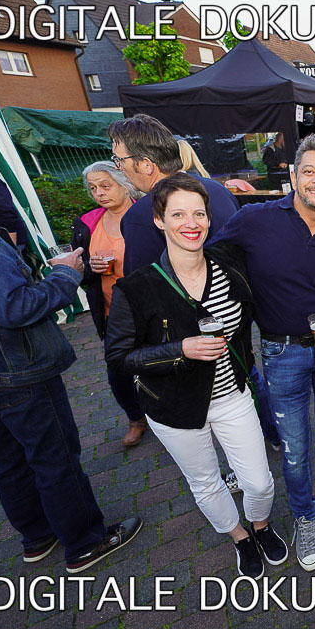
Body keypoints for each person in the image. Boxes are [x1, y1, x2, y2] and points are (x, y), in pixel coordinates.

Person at [0, 141, 141, 572]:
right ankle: (86, 542)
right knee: (54, 457)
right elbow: (15, 307)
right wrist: (66, 275)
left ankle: (37, 536)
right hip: (14, 371)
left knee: (7, 459)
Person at [105, 173, 287, 578]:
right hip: (174, 407)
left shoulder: (230, 264)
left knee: (258, 482)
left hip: (232, 395)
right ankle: (239, 536)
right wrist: (179, 350)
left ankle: (260, 525)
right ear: (159, 220)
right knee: (205, 482)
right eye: (178, 214)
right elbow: (118, 357)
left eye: (199, 214)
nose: (191, 223)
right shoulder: (136, 288)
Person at [209, 134, 315, 572]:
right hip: (282, 355)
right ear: (294, 176)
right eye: (310, 171)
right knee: (295, 447)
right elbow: (207, 257)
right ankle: (304, 515)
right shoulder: (255, 220)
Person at [70, 161, 148, 446]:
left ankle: (170, 414)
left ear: (124, 183)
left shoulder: (147, 213)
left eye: (105, 185)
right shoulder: (87, 223)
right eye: (93, 188)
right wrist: (90, 268)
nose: (99, 193)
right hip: (112, 312)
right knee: (118, 372)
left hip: (150, 309)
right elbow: (78, 268)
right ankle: (136, 418)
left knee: (160, 363)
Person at [107, 114, 239, 275]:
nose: (118, 167)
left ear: (147, 165)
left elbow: (140, 283)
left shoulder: (141, 214)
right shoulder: (219, 190)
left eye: (119, 160)